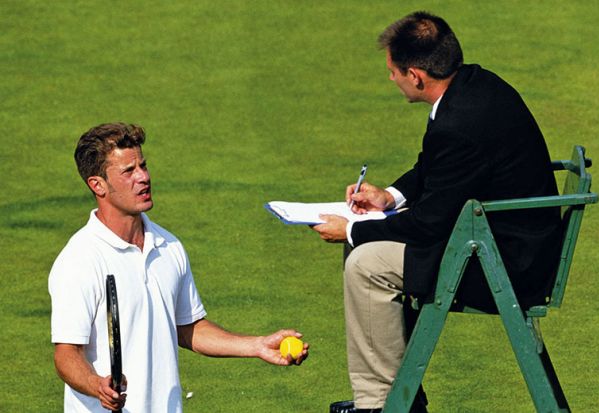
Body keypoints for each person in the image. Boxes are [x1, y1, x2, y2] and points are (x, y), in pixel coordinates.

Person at [312, 11, 562, 413]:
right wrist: (389, 198)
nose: (390, 78)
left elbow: (429, 223)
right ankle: (392, 397)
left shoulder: (457, 124)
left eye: (393, 71)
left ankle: (381, 405)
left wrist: (353, 230)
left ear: (415, 75)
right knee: (366, 252)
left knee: (365, 263)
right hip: (503, 240)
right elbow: (434, 168)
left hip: (504, 263)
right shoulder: (475, 85)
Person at [49, 123, 309, 412]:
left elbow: (188, 328)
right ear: (98, 185)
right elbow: (66, 354)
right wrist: (96, 384)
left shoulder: (168, 245)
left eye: (143, 166)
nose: (144, 177)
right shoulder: (80, 258)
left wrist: (257, 345)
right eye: (128, 171)